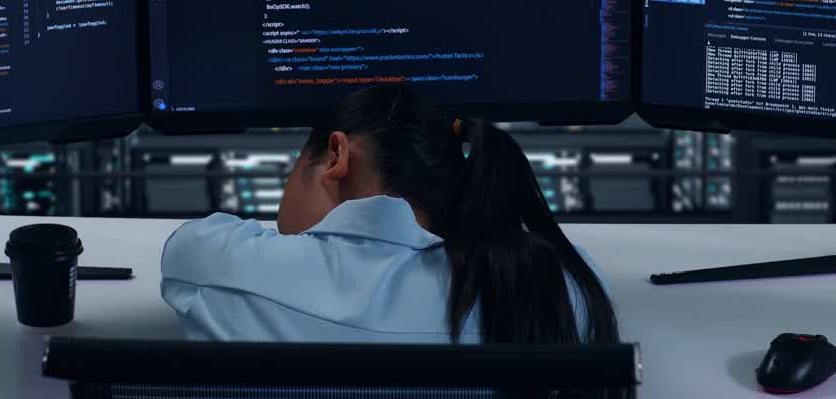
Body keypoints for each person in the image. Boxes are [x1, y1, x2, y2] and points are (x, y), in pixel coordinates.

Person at [160, 84, 618, 343]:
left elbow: (188, 248)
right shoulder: (561, 287)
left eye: (294, 167)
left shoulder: (219, 272)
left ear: (336, 157)